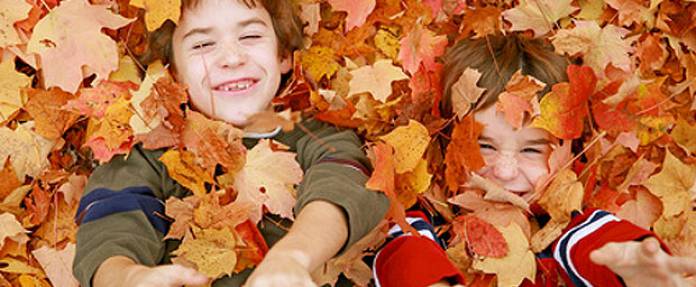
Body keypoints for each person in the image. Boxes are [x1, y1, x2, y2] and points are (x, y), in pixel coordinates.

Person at [72, 0, 389, 286]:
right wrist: (129, 277)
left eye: (250, 36)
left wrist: (294, 256)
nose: (232, 58)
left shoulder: (315, 131)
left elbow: (344, 182)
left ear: (282, 56)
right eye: (203, 44)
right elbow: (111, 225)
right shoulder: (150, 153)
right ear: (175, 72)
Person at [372, 35, 696, 287]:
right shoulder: (424, 221)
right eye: (483, 145)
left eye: (531, 150)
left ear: (569, 153)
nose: (504, 171)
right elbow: (405, 251)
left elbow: (596, 242)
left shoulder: (564, 232)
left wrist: (634, 267)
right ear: (446, 142)